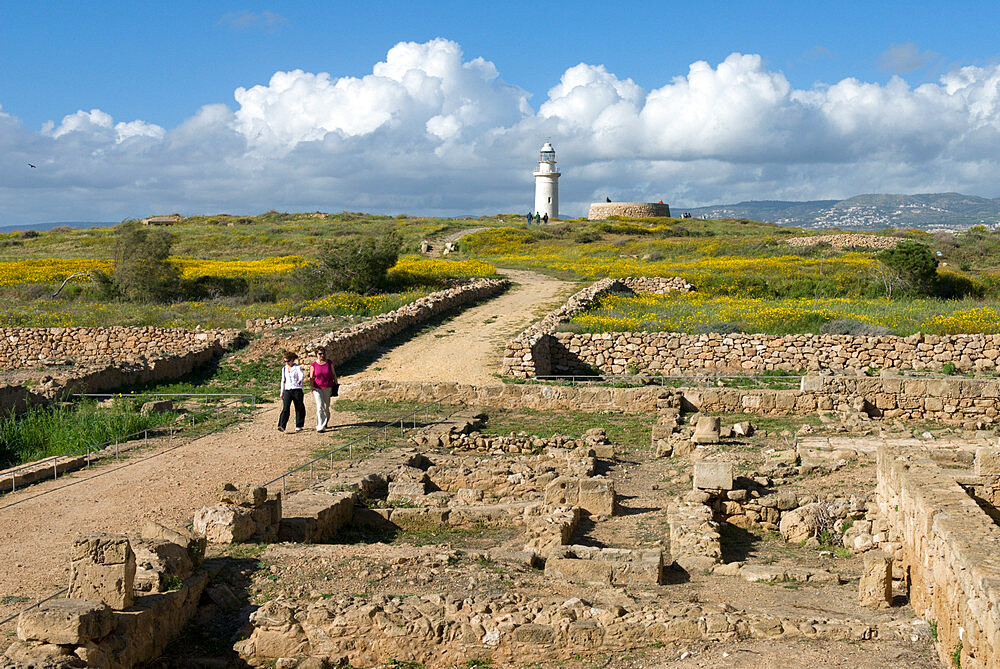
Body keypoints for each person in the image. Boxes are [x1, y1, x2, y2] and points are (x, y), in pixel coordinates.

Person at [307, 346, 338, 433]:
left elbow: (333, 374)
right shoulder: (313, 365)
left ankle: (326, 420)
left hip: (328, 386)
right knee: (320, 406)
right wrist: (312, 387)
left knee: (326, 407)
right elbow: (311, 377)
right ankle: (320, 426)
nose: (322, 355)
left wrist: (336, 384)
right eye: (320, 354)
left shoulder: (329, 363)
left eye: (323, 353)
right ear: (316, 354)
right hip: (317, 388)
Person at [277, 351, 306, 433]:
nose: (286, 363)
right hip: (288, 390)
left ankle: (299, 425)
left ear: (292, 360)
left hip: (297, 389)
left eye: (288, 361)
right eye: (285, 361)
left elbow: (301, 375)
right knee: (285, 408)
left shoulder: (297, 367)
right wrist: (281, 392)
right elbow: (283, 381)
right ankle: (282, 425)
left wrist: (300, 380)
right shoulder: (284, 369)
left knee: (299, 407)